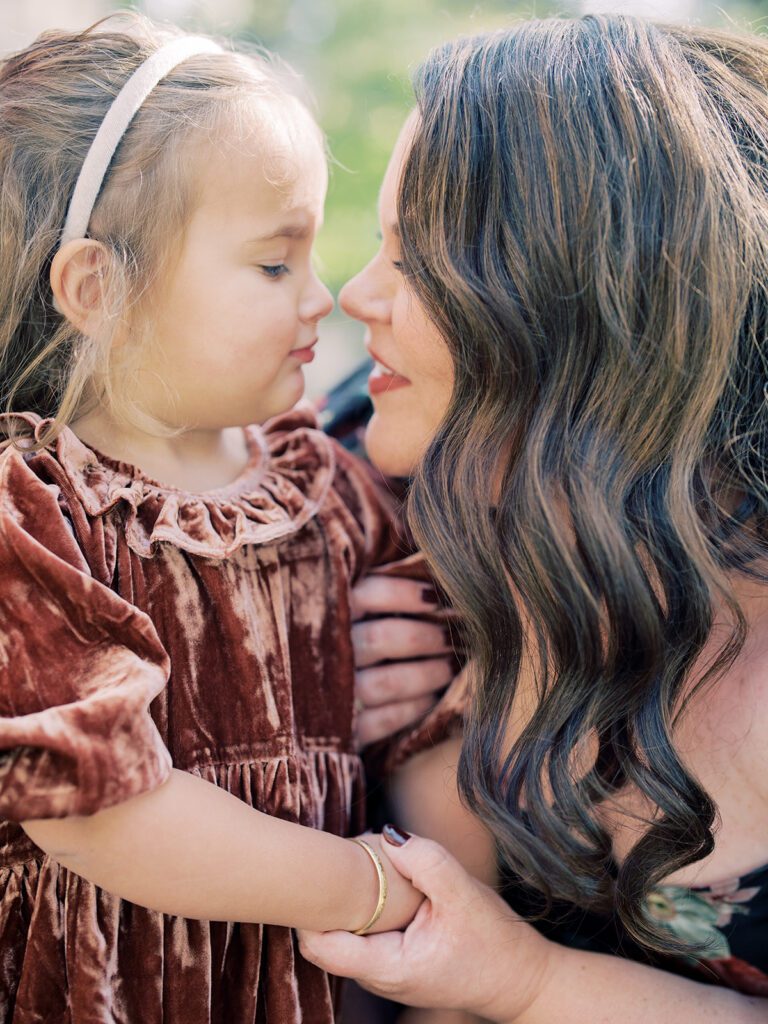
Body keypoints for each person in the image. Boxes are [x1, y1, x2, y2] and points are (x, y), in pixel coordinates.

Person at [299, 15, 768, 1022]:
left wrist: (529, 979)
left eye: (411, 255)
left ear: (571, 306)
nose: (354, 294)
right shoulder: (367, 496)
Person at [0, 14, 452, 1021]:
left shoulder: (320, 481)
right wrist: (371, 889)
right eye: (272, 263)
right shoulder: (35, 518)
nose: (323, 298)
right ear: (98, 288)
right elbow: (108, 817)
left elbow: (437, 669)